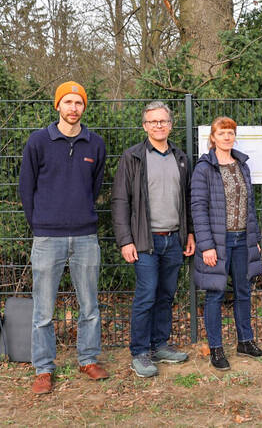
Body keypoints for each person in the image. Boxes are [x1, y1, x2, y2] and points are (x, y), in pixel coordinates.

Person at [18, 81, 109, 394]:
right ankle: (43, 369)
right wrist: (40, 223)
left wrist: (80, 212)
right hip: (47, 237)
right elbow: (25, 188)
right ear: (57, 105)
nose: (73, 108)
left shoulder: (95, 143)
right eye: (68, 102)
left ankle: (87, 359)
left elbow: (94, 188)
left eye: (79, 102)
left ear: (84, 107)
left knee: (90, 305)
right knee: (43, 309)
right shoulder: (38, 141)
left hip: (85, 236)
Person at [111, 101, 195, 378]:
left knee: (166, 295)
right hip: (144, 241)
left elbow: (188, 200)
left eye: (163, 121)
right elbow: (121, 200)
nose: (158, 126)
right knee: (146, 295)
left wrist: (189, 233)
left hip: (174, 239)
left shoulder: (181, 158)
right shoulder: (132, 157)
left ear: (171, 125)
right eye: (153, 122)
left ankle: (160, 344)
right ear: (145, 126)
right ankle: (140, 351)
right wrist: (125, 240)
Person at [191, 116, 262, 370]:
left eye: (230, 133)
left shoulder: (242, 165)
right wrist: (207, 245)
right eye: (222, 133)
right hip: (218, 241)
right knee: (215, 293)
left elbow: (250, 206)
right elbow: (198, 208)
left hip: (242, 238)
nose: (227, 137)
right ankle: (216, 349)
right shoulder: (204, 168)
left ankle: (245, 341)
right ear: (212, 138)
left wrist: (254, 239)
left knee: (243, 290)